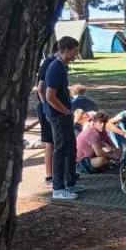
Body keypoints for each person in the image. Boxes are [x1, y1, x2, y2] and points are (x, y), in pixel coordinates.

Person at [44, 37, 81, 199]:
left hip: (65, 114)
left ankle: (70, 182)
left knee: (71, 147)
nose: (77, 54)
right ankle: (58, 188)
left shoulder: (63, 66)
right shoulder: (55, 68)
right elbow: (49, 96)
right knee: (60, 150)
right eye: (75, 51)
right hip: (58, 116)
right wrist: (65, 111)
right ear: (67, 51)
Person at [35, 44, 58, 187]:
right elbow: (39, 88)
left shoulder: (56, 63)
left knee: (57, 141)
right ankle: (49, 177)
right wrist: (46, 107)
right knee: (50, 142)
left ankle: (59, 173)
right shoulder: (49, 63)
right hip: (46, 108)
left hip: (52, 107)